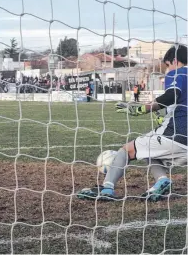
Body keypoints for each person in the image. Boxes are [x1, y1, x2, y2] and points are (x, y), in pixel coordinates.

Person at [77, 44, 187, 202]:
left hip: (176, 136)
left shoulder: (178, 73)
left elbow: (173, 94)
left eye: (167, 65)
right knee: (147, 150)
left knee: (126, 150)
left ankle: (107, 188)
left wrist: (143, 108)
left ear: (174, 61)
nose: (167, 69)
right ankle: (162, 181)